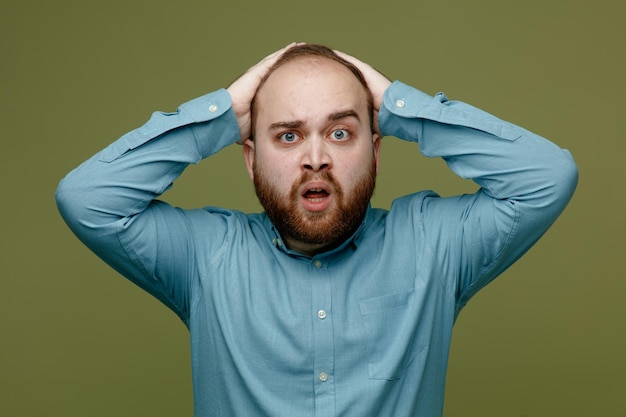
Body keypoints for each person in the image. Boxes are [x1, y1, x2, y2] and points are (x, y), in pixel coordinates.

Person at [56, 43, 578, 416]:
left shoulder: (432, 246)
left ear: (374, 150)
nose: (315, 158)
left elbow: (546, 177)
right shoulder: (205, 257)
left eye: (340, 132)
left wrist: (395, 103)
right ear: (250, 158)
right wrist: (224, 111)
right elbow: (88, 199)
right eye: (287, 136)